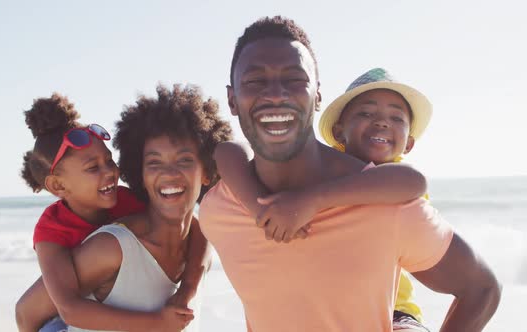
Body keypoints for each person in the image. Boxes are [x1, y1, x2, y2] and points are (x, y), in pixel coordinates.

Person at [199, 16, 501, 332]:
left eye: (294, 79)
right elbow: (225, 155)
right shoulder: (219, 211)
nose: (275, 94)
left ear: (317, 96)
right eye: (255, 81)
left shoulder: (387, 206)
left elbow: (482, 290)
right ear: (232, 100)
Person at [214, 67, 433, 331]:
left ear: (408, 144)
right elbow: (227, 152)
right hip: (326, 306)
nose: (382, 122)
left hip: (395, 311)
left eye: (396, 118)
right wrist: (258, 208)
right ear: (339, 131)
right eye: (365, 113)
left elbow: (415, 180)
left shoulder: (395, 180)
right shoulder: (321, 168)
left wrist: (313, 200)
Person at [14, 92, 211, 331]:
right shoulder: (52, 229)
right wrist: (158, 323)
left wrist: (188, 288)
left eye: (109, 161)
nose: (109, 172)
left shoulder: (125, 200)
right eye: (93, 168)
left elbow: (194, 225)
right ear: (59, 186)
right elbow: (62, 309)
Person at [64, 83, 232, 331]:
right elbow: (30, 312)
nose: (169, 174)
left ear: (207, 171)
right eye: (154, 163)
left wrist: (188, 289)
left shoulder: (198, 244)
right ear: (140, 174)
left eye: (184, 160)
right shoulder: (111, 248)